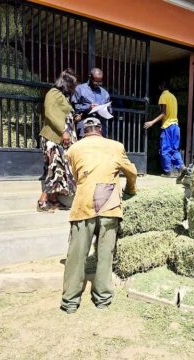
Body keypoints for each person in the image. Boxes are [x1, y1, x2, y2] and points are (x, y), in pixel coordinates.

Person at [60, 117, 137, 314]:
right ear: (100, 130)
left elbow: (76, 176)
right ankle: (102, 299)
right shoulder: (116, 146)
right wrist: (130, 190)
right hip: (109, 204)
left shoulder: (73, 149)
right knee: (105, 254)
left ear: (84, 131)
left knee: (76, 255)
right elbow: (132, 172)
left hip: (83, 204)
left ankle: (70, 302)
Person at [37, 68, 78, 212]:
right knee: (55, 168)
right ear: (66, 83)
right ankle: (43, 201)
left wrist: (74, 118)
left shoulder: (63, 96)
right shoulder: (53, 93)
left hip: (61, 139)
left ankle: (54, 200)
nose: (74, 87)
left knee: (60, 169)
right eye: (72, 84)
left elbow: (62, 114)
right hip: (53, 138)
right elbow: (50, 113)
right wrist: (64, 130)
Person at [144, 80, 185, 177]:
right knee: (175, 149)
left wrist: (151, 122)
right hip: (175, 126)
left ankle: (168, 171)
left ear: (160, 87)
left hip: (167, 126)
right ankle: (182, 167)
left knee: (165, 149)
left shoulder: (163, 96)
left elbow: (163, 113)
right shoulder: (173, 97)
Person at [71, 67, 110, 139]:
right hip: (84, 127)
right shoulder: (80, 89)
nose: (98, 84)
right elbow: (74, 107)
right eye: (96, 81)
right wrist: (88, 108)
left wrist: (106, 109)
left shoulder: (105, 93)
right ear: (90, 77)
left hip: (100, 128)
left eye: (100, 82)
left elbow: (110, 110)